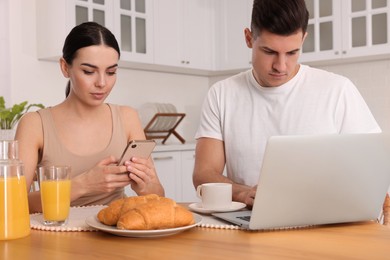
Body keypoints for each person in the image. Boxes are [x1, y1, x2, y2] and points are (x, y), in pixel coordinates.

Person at [193, 0, 381, 208]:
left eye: (292, 52)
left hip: (322, 219)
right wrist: (244, 194)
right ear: (248, 38)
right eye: (269, 51)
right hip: (249, 219)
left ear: (303, 40)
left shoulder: (338, 90)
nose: (280, 66)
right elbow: (204, 174)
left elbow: (372, 167)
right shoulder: (222, 94)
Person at [15, 22, 164, 213]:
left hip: (114, 230)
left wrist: (146, 187)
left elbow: (159, 196)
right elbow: (12, 204)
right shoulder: (35, 124)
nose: (102, 83)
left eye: (111, 72)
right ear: (65, 67)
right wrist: (83, 184)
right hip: (56, 233)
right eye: (88, 71)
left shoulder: (127, 118)